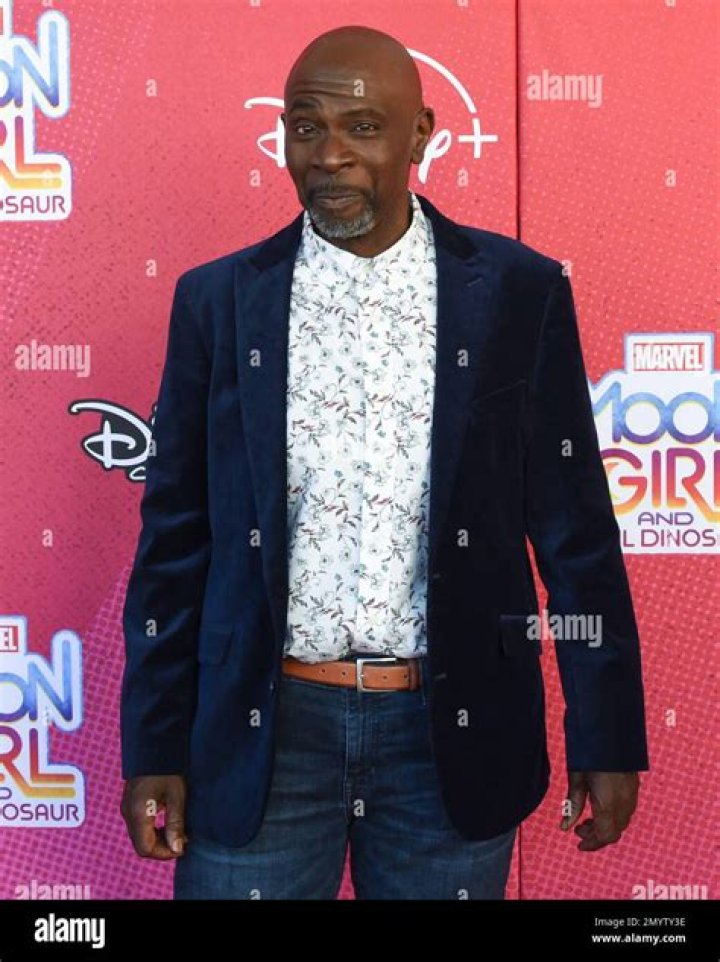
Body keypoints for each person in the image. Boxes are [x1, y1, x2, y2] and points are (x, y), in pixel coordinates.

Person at [120, 25, 649, 900]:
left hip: (451, 735)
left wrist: (608, 734)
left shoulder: (517, 292)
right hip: (261, 733)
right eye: (306, 127)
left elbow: (576, 533)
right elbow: (175, 545)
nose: (330, 154)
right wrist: (154, 746)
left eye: (363, 127)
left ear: (421, 134)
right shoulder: (217, 300)